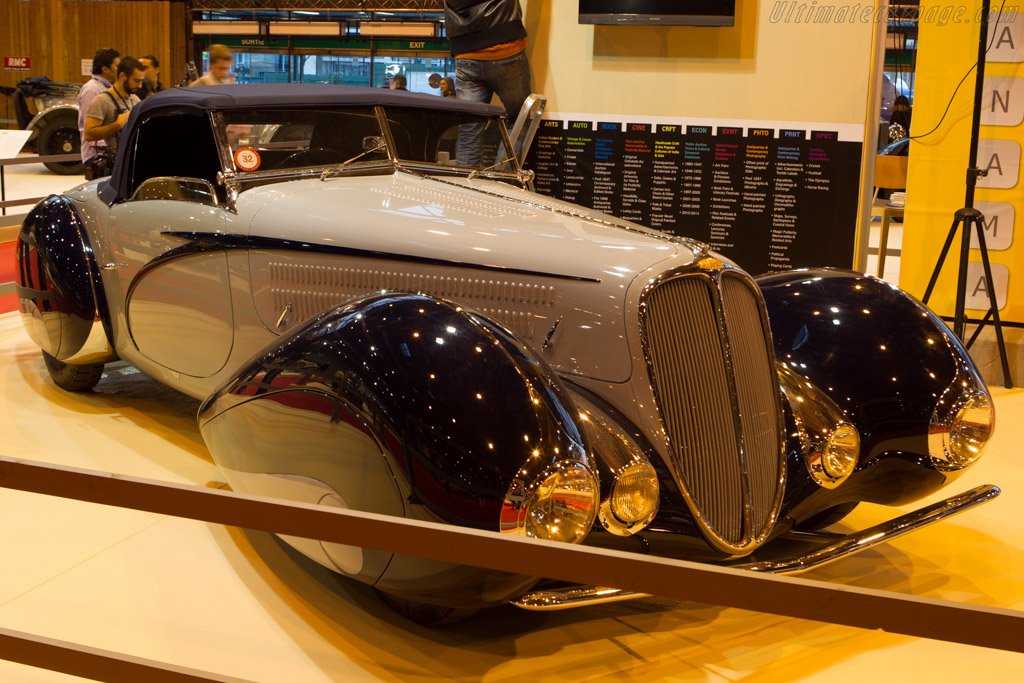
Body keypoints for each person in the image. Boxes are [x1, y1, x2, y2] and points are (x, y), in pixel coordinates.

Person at [443, 0, 533, 166]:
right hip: (506, 48)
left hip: (465, 53)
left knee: (469, 129)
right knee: (518, 120)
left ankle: (467, 188)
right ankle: (503, 180)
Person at [83, 56, 145, 172]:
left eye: (141, 81)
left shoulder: (135, 99)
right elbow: (89, 134)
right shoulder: (101, 100)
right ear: (122, 77)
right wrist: (117, 124)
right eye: (136, 81)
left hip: (131, 164)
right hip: (113, 167)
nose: (140, 86)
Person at [77, 48, 120, 163]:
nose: (120, 70)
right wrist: (102, 149)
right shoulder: (92, 90)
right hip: (96, 155)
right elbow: (90, 125)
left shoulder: (107, 87)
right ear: (105, 69)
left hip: (107, 153)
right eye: (117, 66)